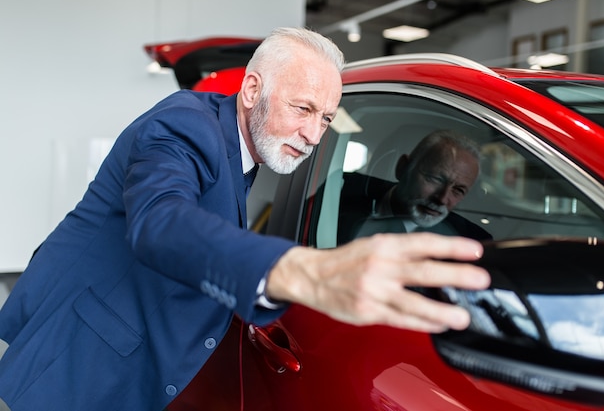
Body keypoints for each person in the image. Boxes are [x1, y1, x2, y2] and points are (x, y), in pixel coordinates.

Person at [0, 28, 489, 411]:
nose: (314, 133)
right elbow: (161, 221)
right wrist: (299, 270)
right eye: (303, 108)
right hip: (76, 363)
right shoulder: (184, 123)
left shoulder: (249, 150)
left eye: (325, 118)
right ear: (252, 89)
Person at [355, 129, 492, 240]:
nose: (442, 199)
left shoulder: (474, 243)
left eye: (458, 190)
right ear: (403, 168)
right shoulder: (340, 194)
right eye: (436, 179)